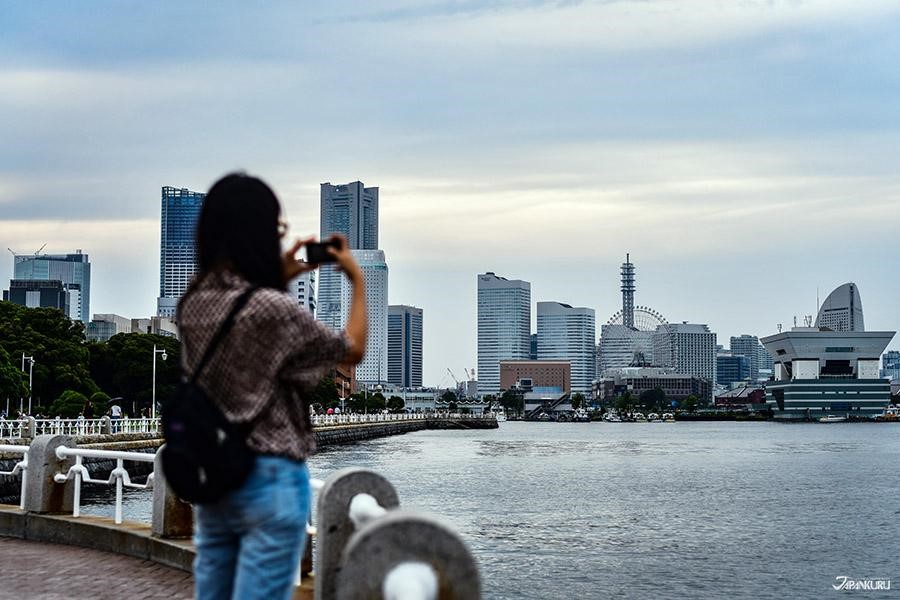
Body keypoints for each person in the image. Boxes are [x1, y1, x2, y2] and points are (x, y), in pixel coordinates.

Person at [177, 173, 367, 600]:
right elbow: (349, 349)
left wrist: (276, 278)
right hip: (269, 476)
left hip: (215, 470)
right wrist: (358, 281)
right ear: (262, 233)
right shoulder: (273, 309)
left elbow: (245, 323)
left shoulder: (192, 302)